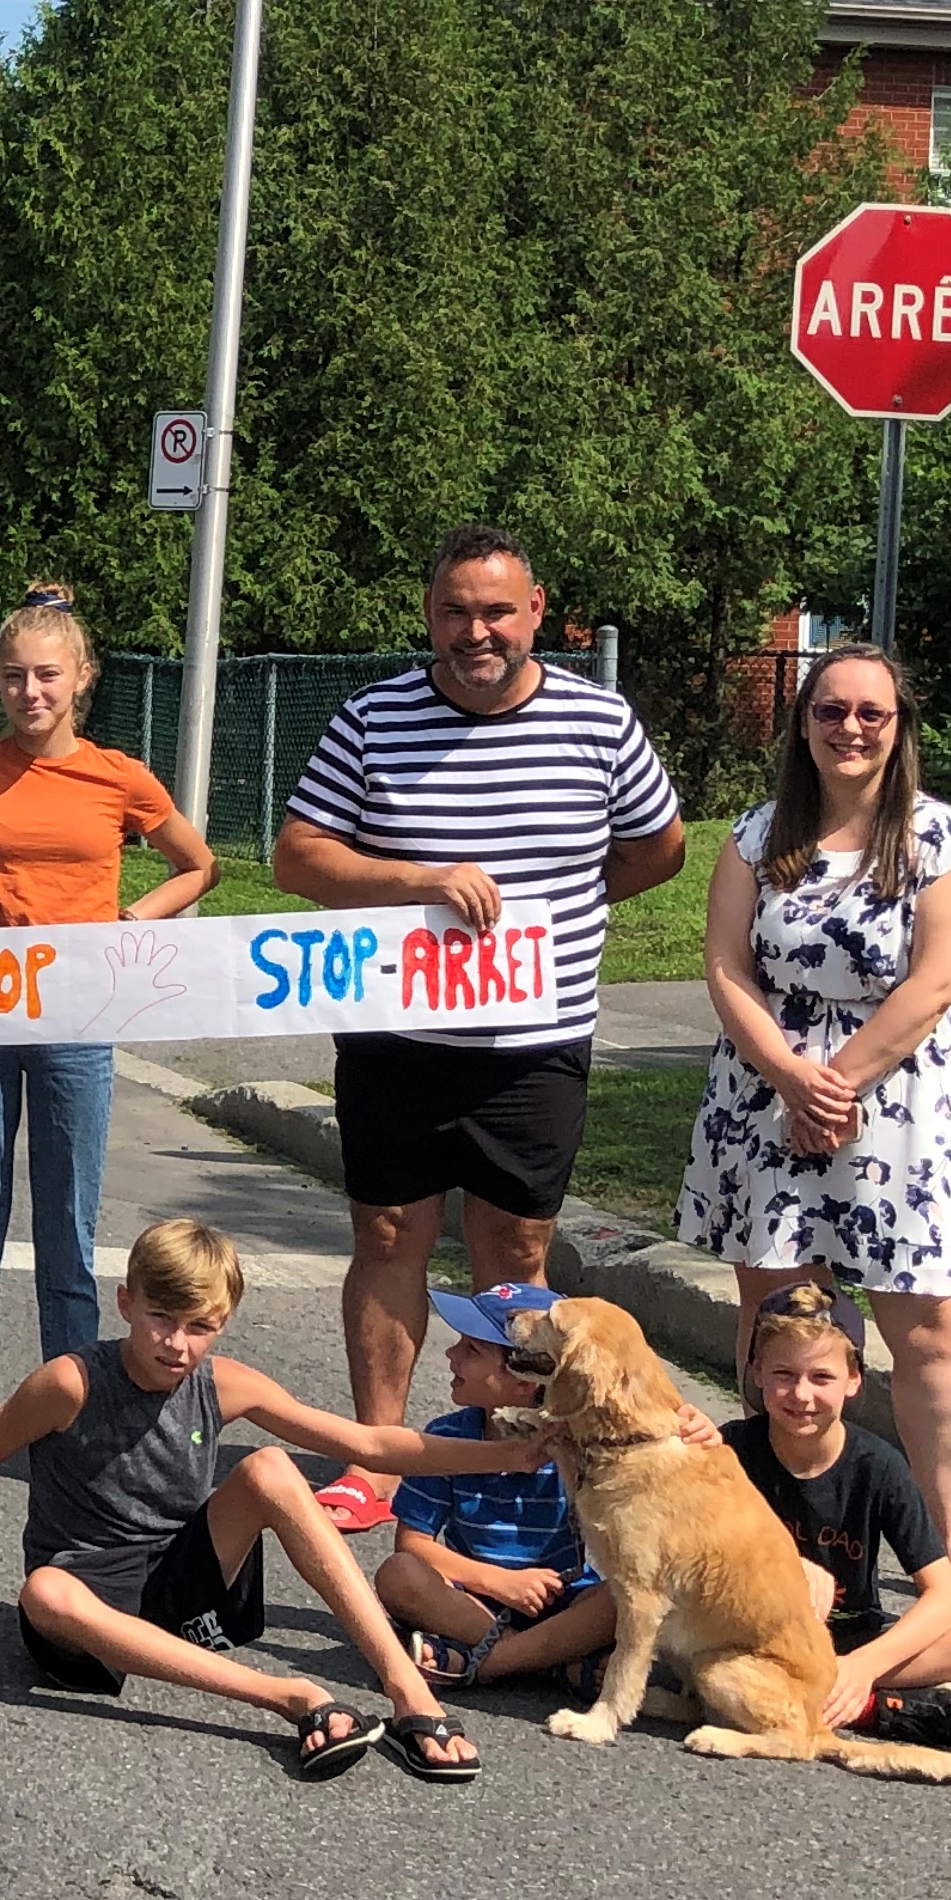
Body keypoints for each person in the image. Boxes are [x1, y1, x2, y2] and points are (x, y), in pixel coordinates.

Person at [273, 524, 685, 1526]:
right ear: (430, 615)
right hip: (396, 1034)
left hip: (534, 1041)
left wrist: (560, 919)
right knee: (386, 1232)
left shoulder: (599, 721)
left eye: (497, 610)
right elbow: (299, 856)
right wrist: (418, 881)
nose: (477, 631)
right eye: (455, 611)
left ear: (537, 612)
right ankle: (377, 1455)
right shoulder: (373, 718)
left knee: (516, 1247)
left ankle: (517, 1450)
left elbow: (657, 848)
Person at [0, 1219, 528, 1781]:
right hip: (87, 1601)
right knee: (44, 1590)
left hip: (182, 1582)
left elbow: (374, 1444)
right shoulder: (70, 1383)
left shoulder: (222, 1382)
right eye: (160, 1318)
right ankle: (292, 1699)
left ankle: (408, 1690)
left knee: (270, 1466)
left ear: (223, 1321)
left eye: (199, 1325)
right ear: (125, 1304)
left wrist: (516, 1454)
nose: (176, 1344)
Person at [0, 592, 218, 1489]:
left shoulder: (118, 777)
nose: (29, 692)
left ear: (81, 679)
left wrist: (130, 920)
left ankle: (67, 1413)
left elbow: (196, 863)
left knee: (67, 1223)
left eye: (47, 675)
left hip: (77, 1021)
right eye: (14, 676)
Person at [677, 644, 951, 1614]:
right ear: (804, 723)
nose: (849, 728)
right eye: (830, 710)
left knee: (933, 1323)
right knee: (781, 1321)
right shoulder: (755, 836)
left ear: (899, 725)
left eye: (870, 712)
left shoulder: (943, 842)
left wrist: (837, 1083)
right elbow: (727, 966)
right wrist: (791, 1077)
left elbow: (936, 981)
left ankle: (947, 1545)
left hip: (901, 1109)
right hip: (766, 1098)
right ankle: (777, 1528)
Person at [724, 1286, 951, 1752]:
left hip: (847, 1640)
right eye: (783, 1374)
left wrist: (864, 1667)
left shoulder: (877, 1465)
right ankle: (867, 1710)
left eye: (821, 1377)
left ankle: (828, 1692)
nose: (801, 1394)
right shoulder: (731, 1449)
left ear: (854, 1379)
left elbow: (945, 1595)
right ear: (755, 1371)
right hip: (756, 1636)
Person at [373, 1284, 622, 1691]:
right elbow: (413, 1544)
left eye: (471, 1350)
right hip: (473, 1600)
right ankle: (549, 1665)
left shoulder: (579, 1441)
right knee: (398, 1575)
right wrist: (494, 1581)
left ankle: (483, 1662)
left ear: (525, 1380)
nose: (451, 1355)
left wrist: (690, 1423)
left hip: (564, 1599)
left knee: (626, 1596)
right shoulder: (446, 1437)